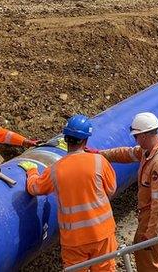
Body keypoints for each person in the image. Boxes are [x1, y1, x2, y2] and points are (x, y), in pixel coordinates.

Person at [21, 115, 118, 272]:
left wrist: (31, 171)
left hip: (74, 239)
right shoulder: (99, 162)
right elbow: (111, 190)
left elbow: (34, 189)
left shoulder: (54, 170)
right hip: (102, 233)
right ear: (86, 140)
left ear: (66, 139)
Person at [101, 112, 158, 272]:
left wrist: (151, 233)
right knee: (146, 253)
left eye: (136, 136)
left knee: (147, 258)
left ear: (144, 135)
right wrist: (100, 155)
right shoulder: (150, 150)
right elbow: (127, 153)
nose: (135, 140)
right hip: (152, 214)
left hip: (156, 217)